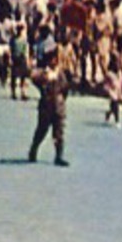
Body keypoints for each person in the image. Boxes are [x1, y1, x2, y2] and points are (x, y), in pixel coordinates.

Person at [28, 28, 75, 166]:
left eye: (55, 59)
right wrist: (45, 78)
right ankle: (34, 149)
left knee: (59, 132)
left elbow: (65, 88)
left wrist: (61, 100)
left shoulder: (60, 73)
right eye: (51, 59)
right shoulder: (44, 73)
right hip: (46, 107)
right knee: (41, 130)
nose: (54, 62)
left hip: (58, 106)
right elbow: (34, 78)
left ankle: (59, 156)